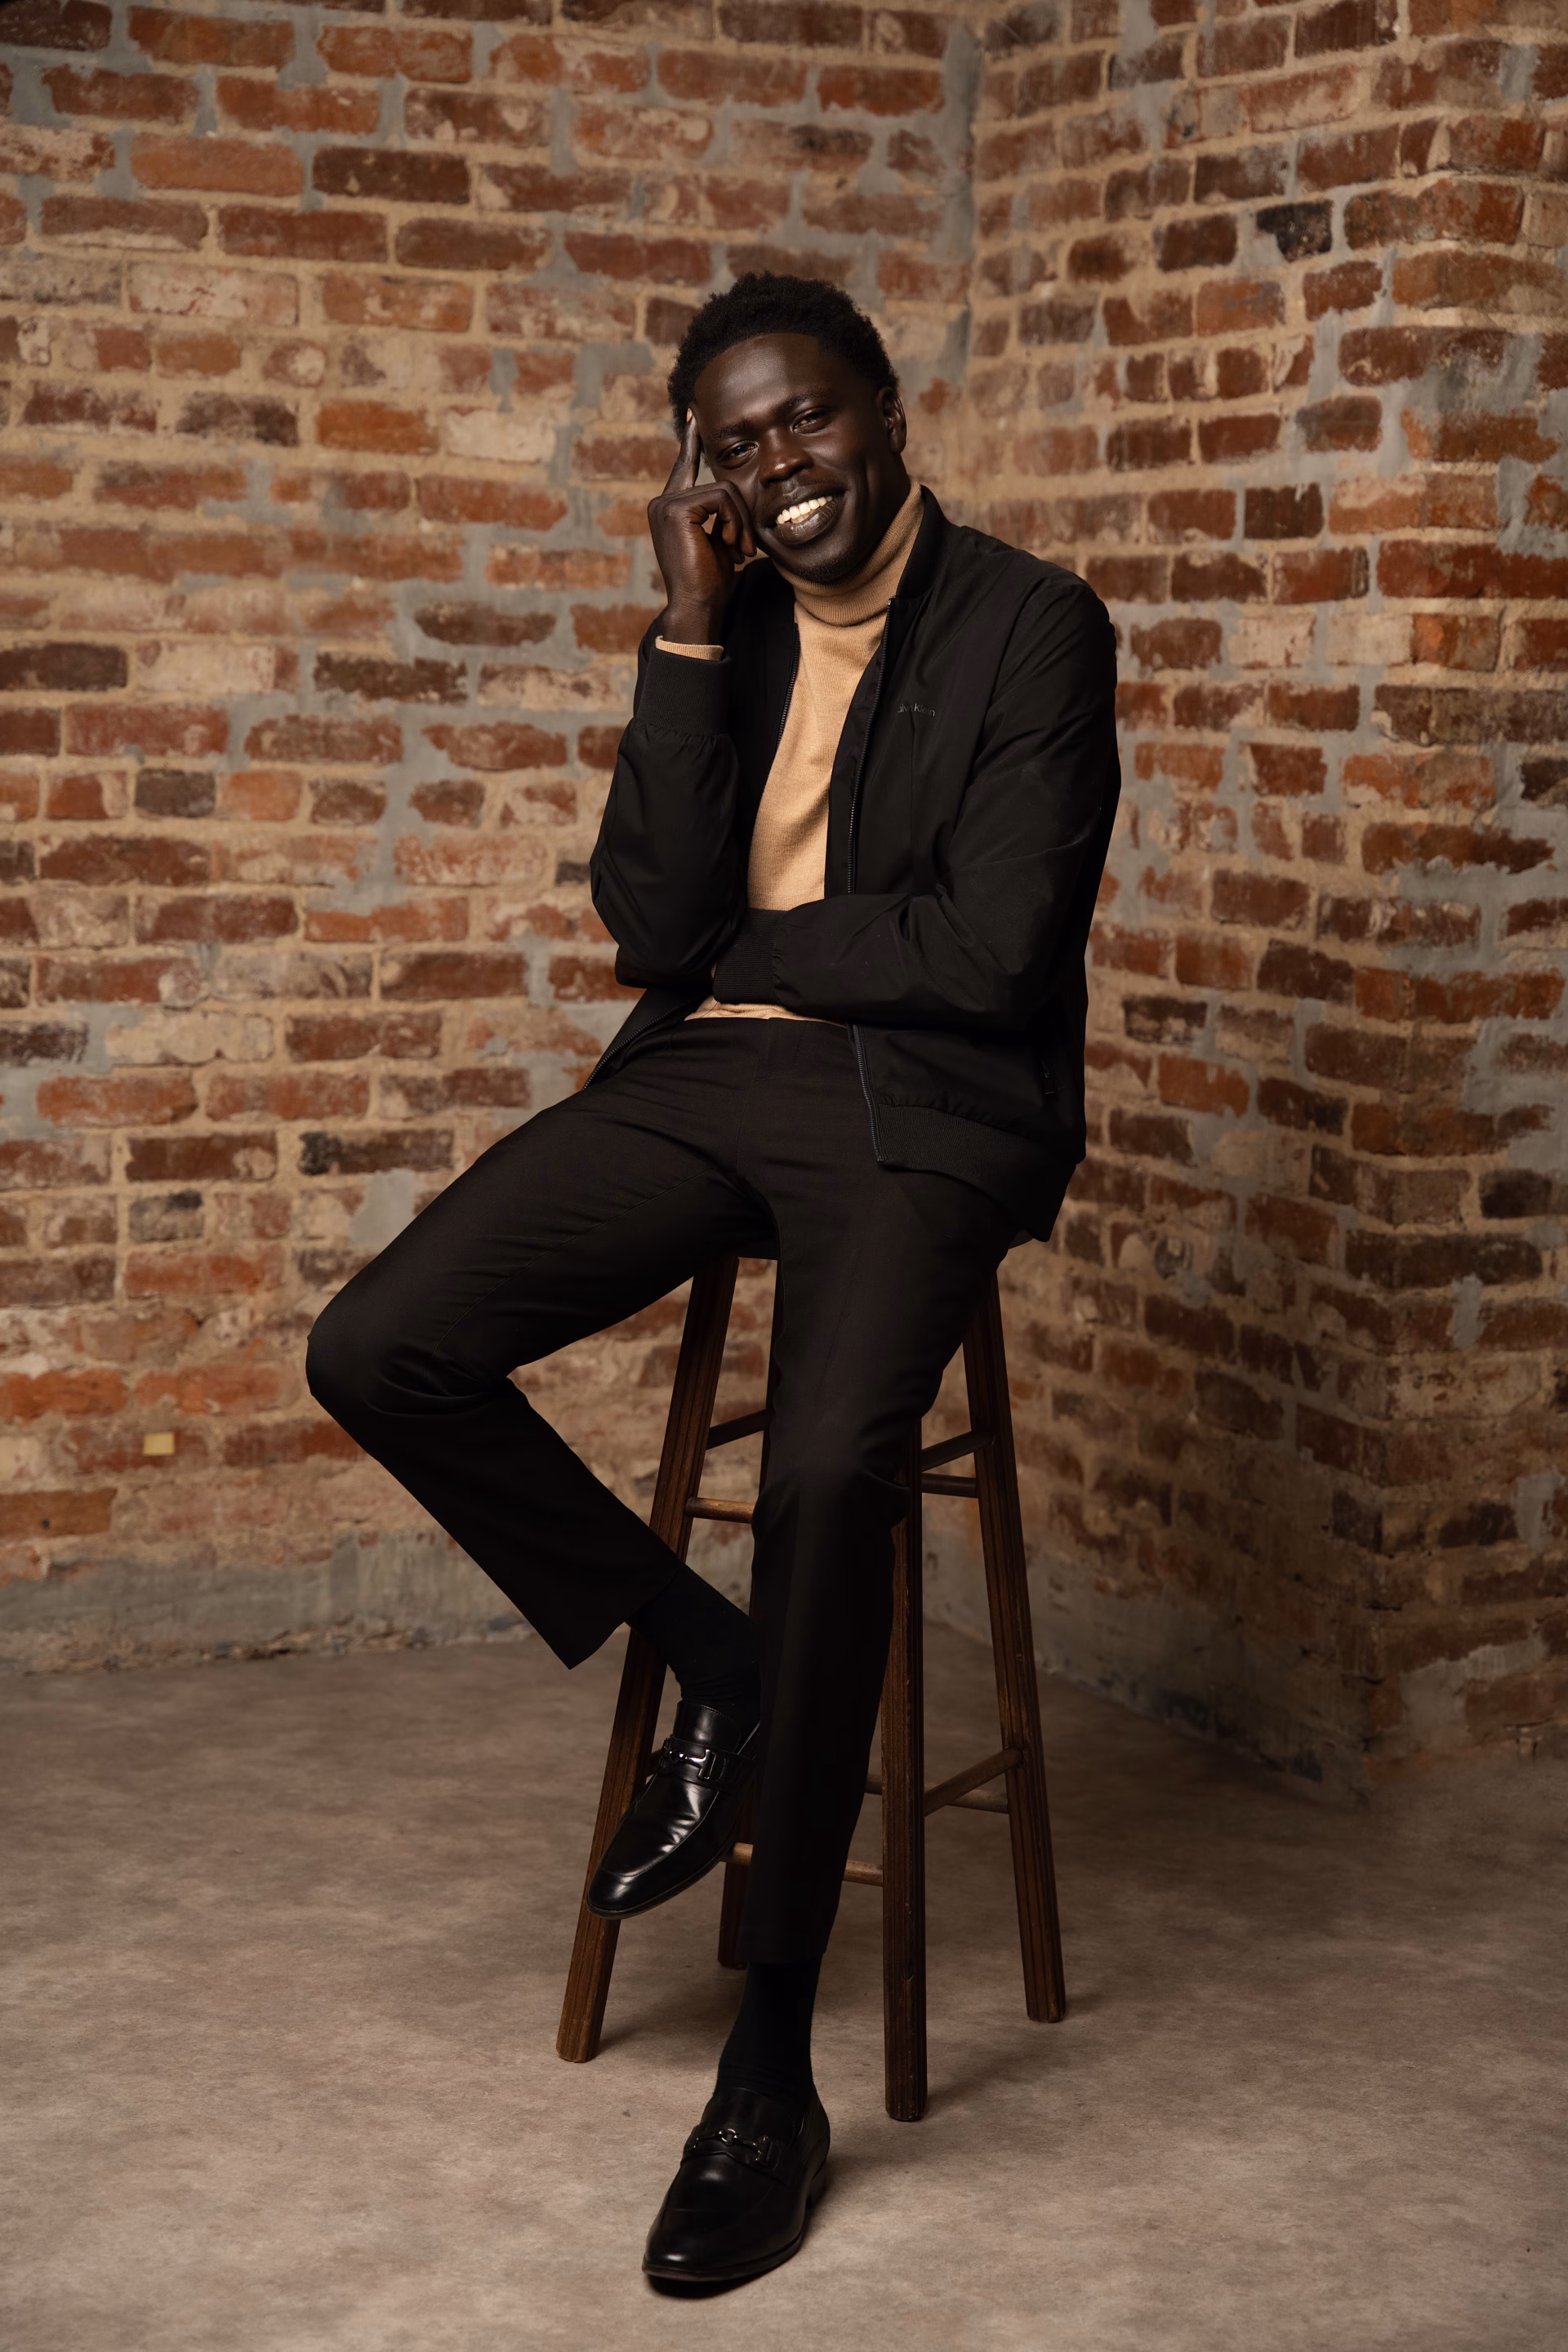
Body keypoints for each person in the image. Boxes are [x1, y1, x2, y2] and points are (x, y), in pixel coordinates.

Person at [307, 270, 1120, 2290]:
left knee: (835, 1465)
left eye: (808, 420)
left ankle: (769, 2067)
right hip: (710, 1082)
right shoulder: (722, 622)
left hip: (936, 1109)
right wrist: (680, 628)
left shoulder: (1033, 624)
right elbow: (645, 923)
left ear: (889, 414)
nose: (783, 466)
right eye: (738, 444)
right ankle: (726, 1667)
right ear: (704, 471)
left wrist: (745, 956)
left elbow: (993, 952)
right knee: (381, 1344)